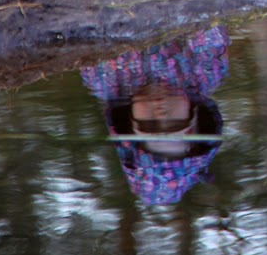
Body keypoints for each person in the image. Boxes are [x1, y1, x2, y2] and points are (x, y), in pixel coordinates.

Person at [81, 26, 230, 206]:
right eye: (175, 123)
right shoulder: (204, 72)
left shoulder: (104, 80)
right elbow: (208, 15)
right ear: (193, 115)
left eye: (150, 125)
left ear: (130, 123)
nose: (161, 113)